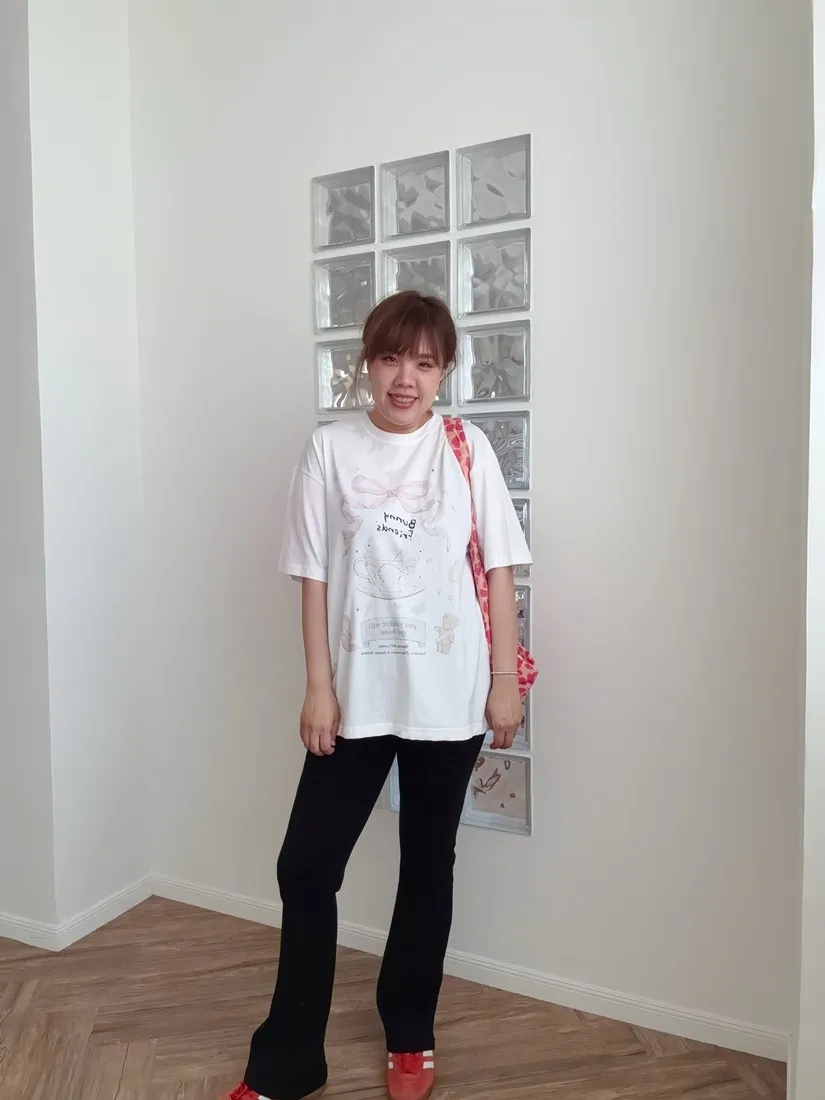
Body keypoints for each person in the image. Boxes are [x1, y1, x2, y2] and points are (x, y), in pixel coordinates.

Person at [224, 290, 531, 1100]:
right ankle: (289, 1062)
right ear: (366, 362)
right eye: (392, 358)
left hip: (451, 697)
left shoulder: (466, 449)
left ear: (444, 372)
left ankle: (409, 1033)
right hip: (356, 697)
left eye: (424, 363)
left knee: (428, 868)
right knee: (305, 866)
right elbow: (313, 575)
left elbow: (500, 571)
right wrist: (317, 688)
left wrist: (504, 681)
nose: (405, 378)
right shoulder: (330, 450)